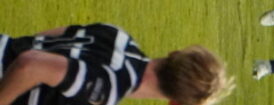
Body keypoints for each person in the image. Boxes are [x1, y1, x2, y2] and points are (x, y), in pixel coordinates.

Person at [0, 23, 233, 105]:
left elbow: (55, 36)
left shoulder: (119, 36)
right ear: (175, 102)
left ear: (174, 53)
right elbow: (30, 65)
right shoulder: (109, 87)